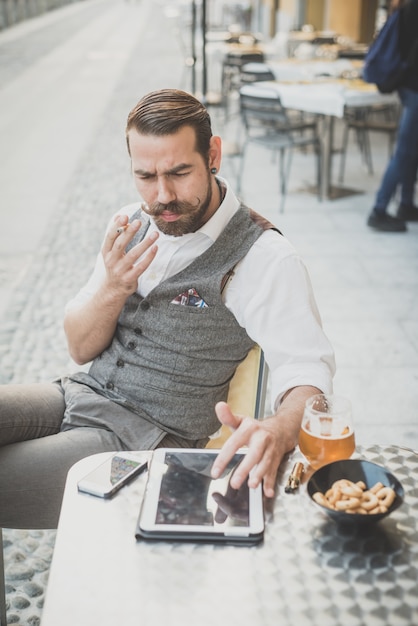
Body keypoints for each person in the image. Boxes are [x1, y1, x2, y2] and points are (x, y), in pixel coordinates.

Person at [0, 89, 335, 529]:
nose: (163, 195)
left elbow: (308, 375)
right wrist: (113, 288)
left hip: (142, 440)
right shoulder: (131, 223)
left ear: (213, 154)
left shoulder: (265, 258)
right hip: (78, 394)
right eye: (146, 176)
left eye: (179, 172)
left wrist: (279, 428)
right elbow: (81, 348)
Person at [367, 0, 418, 232]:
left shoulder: (409, 7)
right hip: (415, 88)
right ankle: (379, 210)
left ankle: (406, 204)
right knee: (406, 150)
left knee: (411, 149)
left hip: (408, 85)